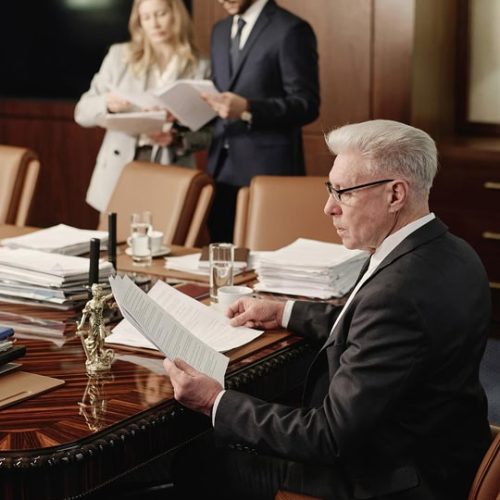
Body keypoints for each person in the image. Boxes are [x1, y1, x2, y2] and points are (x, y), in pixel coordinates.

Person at [163, 119, 492, 499]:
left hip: (393, 480)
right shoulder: (452, 252)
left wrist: (214, 401)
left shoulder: (397, 293)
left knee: (201, 459)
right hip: (443, 449)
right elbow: (379, 330)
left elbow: (327, 436)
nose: (328, 207)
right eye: (329, 189)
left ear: (395, 194)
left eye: (343, 192)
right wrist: (284, 312)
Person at [75, 0, 211, 213]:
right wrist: (107, 103)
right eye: (146, 17)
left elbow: (211, 130)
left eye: (160, 14)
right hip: (120, 167)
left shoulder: (200, 65)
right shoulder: (119, 56)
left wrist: (178, 138)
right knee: (113, 243)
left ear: (177, 15)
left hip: (172, 166)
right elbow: (82, 112)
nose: (154, 24)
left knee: (166, 242)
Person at [203, 0, 320, 242]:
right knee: (221, 260)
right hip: (219, 169)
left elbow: (307, 104)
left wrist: (248, 108)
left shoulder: (291, 29)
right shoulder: (220, 30)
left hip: (268, 170)